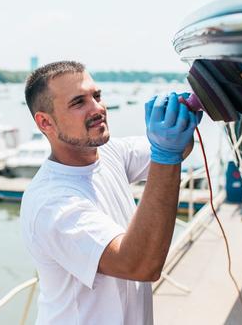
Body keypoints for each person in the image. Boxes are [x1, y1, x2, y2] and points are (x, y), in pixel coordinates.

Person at [20, 61, 200, 324]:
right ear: (45, 122)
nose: (97, 108)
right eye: (78, 102)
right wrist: (167, 152)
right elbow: (139, 264)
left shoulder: (111, 153)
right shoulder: (51, 203)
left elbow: (179, 148)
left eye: (97, 96)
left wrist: (188, 108)